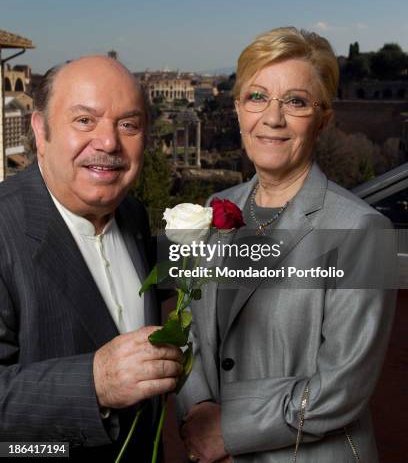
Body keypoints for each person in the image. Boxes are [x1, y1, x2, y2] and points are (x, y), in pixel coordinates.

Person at [178, 27, 397, 462]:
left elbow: (343, 388)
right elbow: (188, 331)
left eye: (295, 101)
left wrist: (228, 431)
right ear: (238, 108)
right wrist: (198, 408)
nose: (272, 118)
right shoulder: (213, 208)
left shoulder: (364, 231)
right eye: (257, 97)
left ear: (323, 118)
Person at [0, 56, 183, 461]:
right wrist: (94, 382)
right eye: (84, 120)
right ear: (40, 130)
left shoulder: (131, 214)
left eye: (128, 125)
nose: (109, 142)